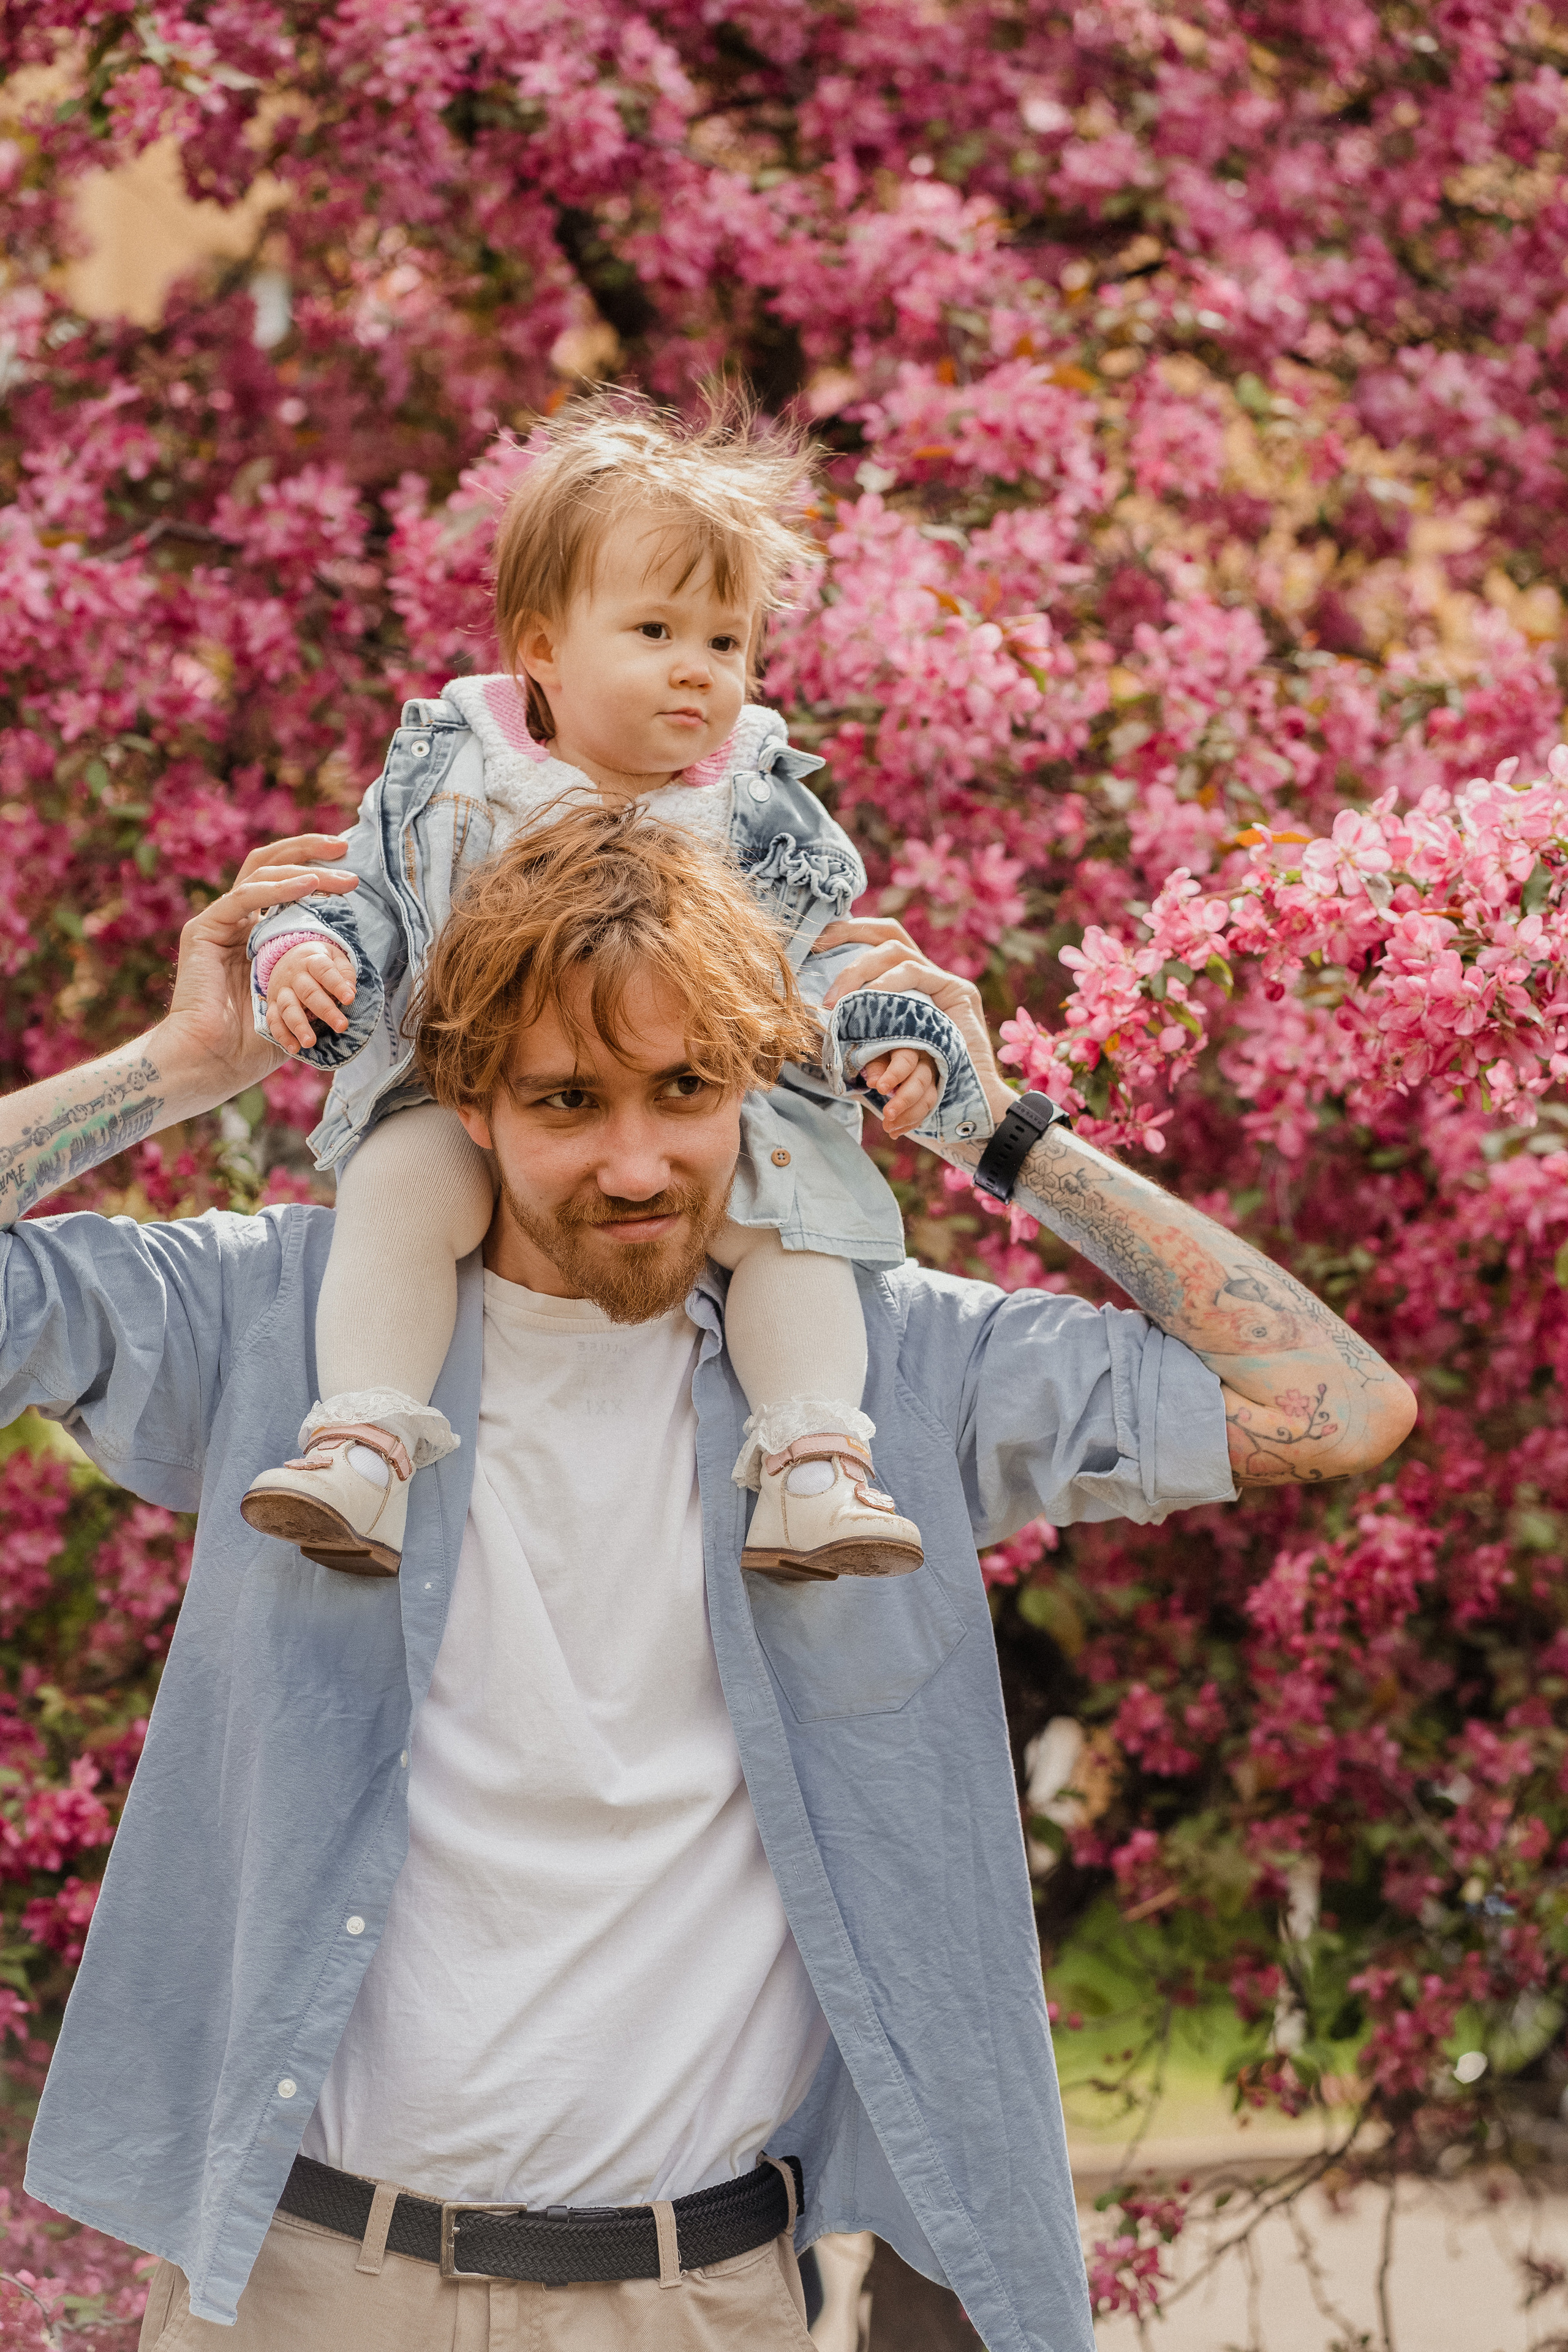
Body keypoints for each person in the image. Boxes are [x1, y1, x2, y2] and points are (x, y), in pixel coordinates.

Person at [2, 809, 1415, 2352]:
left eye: (685, 1089)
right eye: (567, 1099)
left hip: (695, 2302)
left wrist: (1000, 1135)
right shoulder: (282, 1321)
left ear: (753, 1079)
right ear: (465, 1097)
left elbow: (1333, 1407)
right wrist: (179, 1067)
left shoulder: (882, 1375)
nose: (636, 1162)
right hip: (300, 2293)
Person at [238, 395, 992, 1586]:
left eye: (727, 643)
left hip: (702, 1107)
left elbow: (824, 953)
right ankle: (365, 1442)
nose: (698, 669)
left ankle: (811, 1467)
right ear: (541, 648)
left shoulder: (754, 806)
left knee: (792, 1231)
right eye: (654, 629)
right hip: (464, 1093)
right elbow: (360, 894)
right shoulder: (459, 774)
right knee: (395, 1188)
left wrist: (886, 1038)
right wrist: (305, 957)